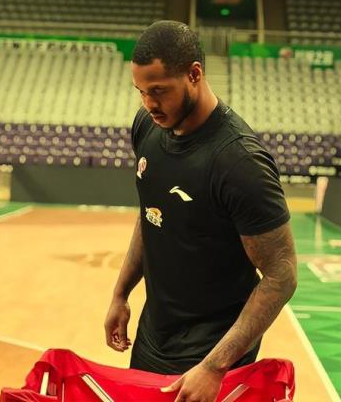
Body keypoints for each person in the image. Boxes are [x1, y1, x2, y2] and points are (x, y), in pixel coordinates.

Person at [104, 20, 297, 402]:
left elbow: (282, 274)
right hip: (153, 338)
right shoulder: (147, 126)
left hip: (213, 352)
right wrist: (121, 294)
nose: (149, 104)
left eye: (159, 91)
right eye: (141, 91)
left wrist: (215, 366)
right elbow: (152, 213)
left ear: (194, 74)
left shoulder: (239, 162)